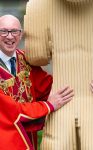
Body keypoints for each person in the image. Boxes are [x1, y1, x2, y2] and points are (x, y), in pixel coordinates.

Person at [0, 14, 74, 150]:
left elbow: (46, 87)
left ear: (20, 34)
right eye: (4, 31)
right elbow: (13, 111)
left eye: (14, 31)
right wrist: (48, 106)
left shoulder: (26, 59)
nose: (10, 36)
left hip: (29, 137)